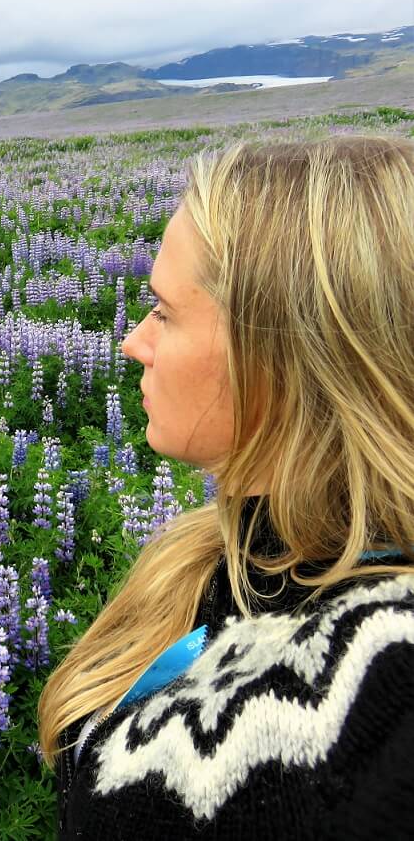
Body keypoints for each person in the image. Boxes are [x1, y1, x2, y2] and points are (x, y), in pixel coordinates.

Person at [36, 134, 414, 839]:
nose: (131, 344)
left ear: (279, 350)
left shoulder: (381, 668)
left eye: (163, 312)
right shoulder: (215, 557)